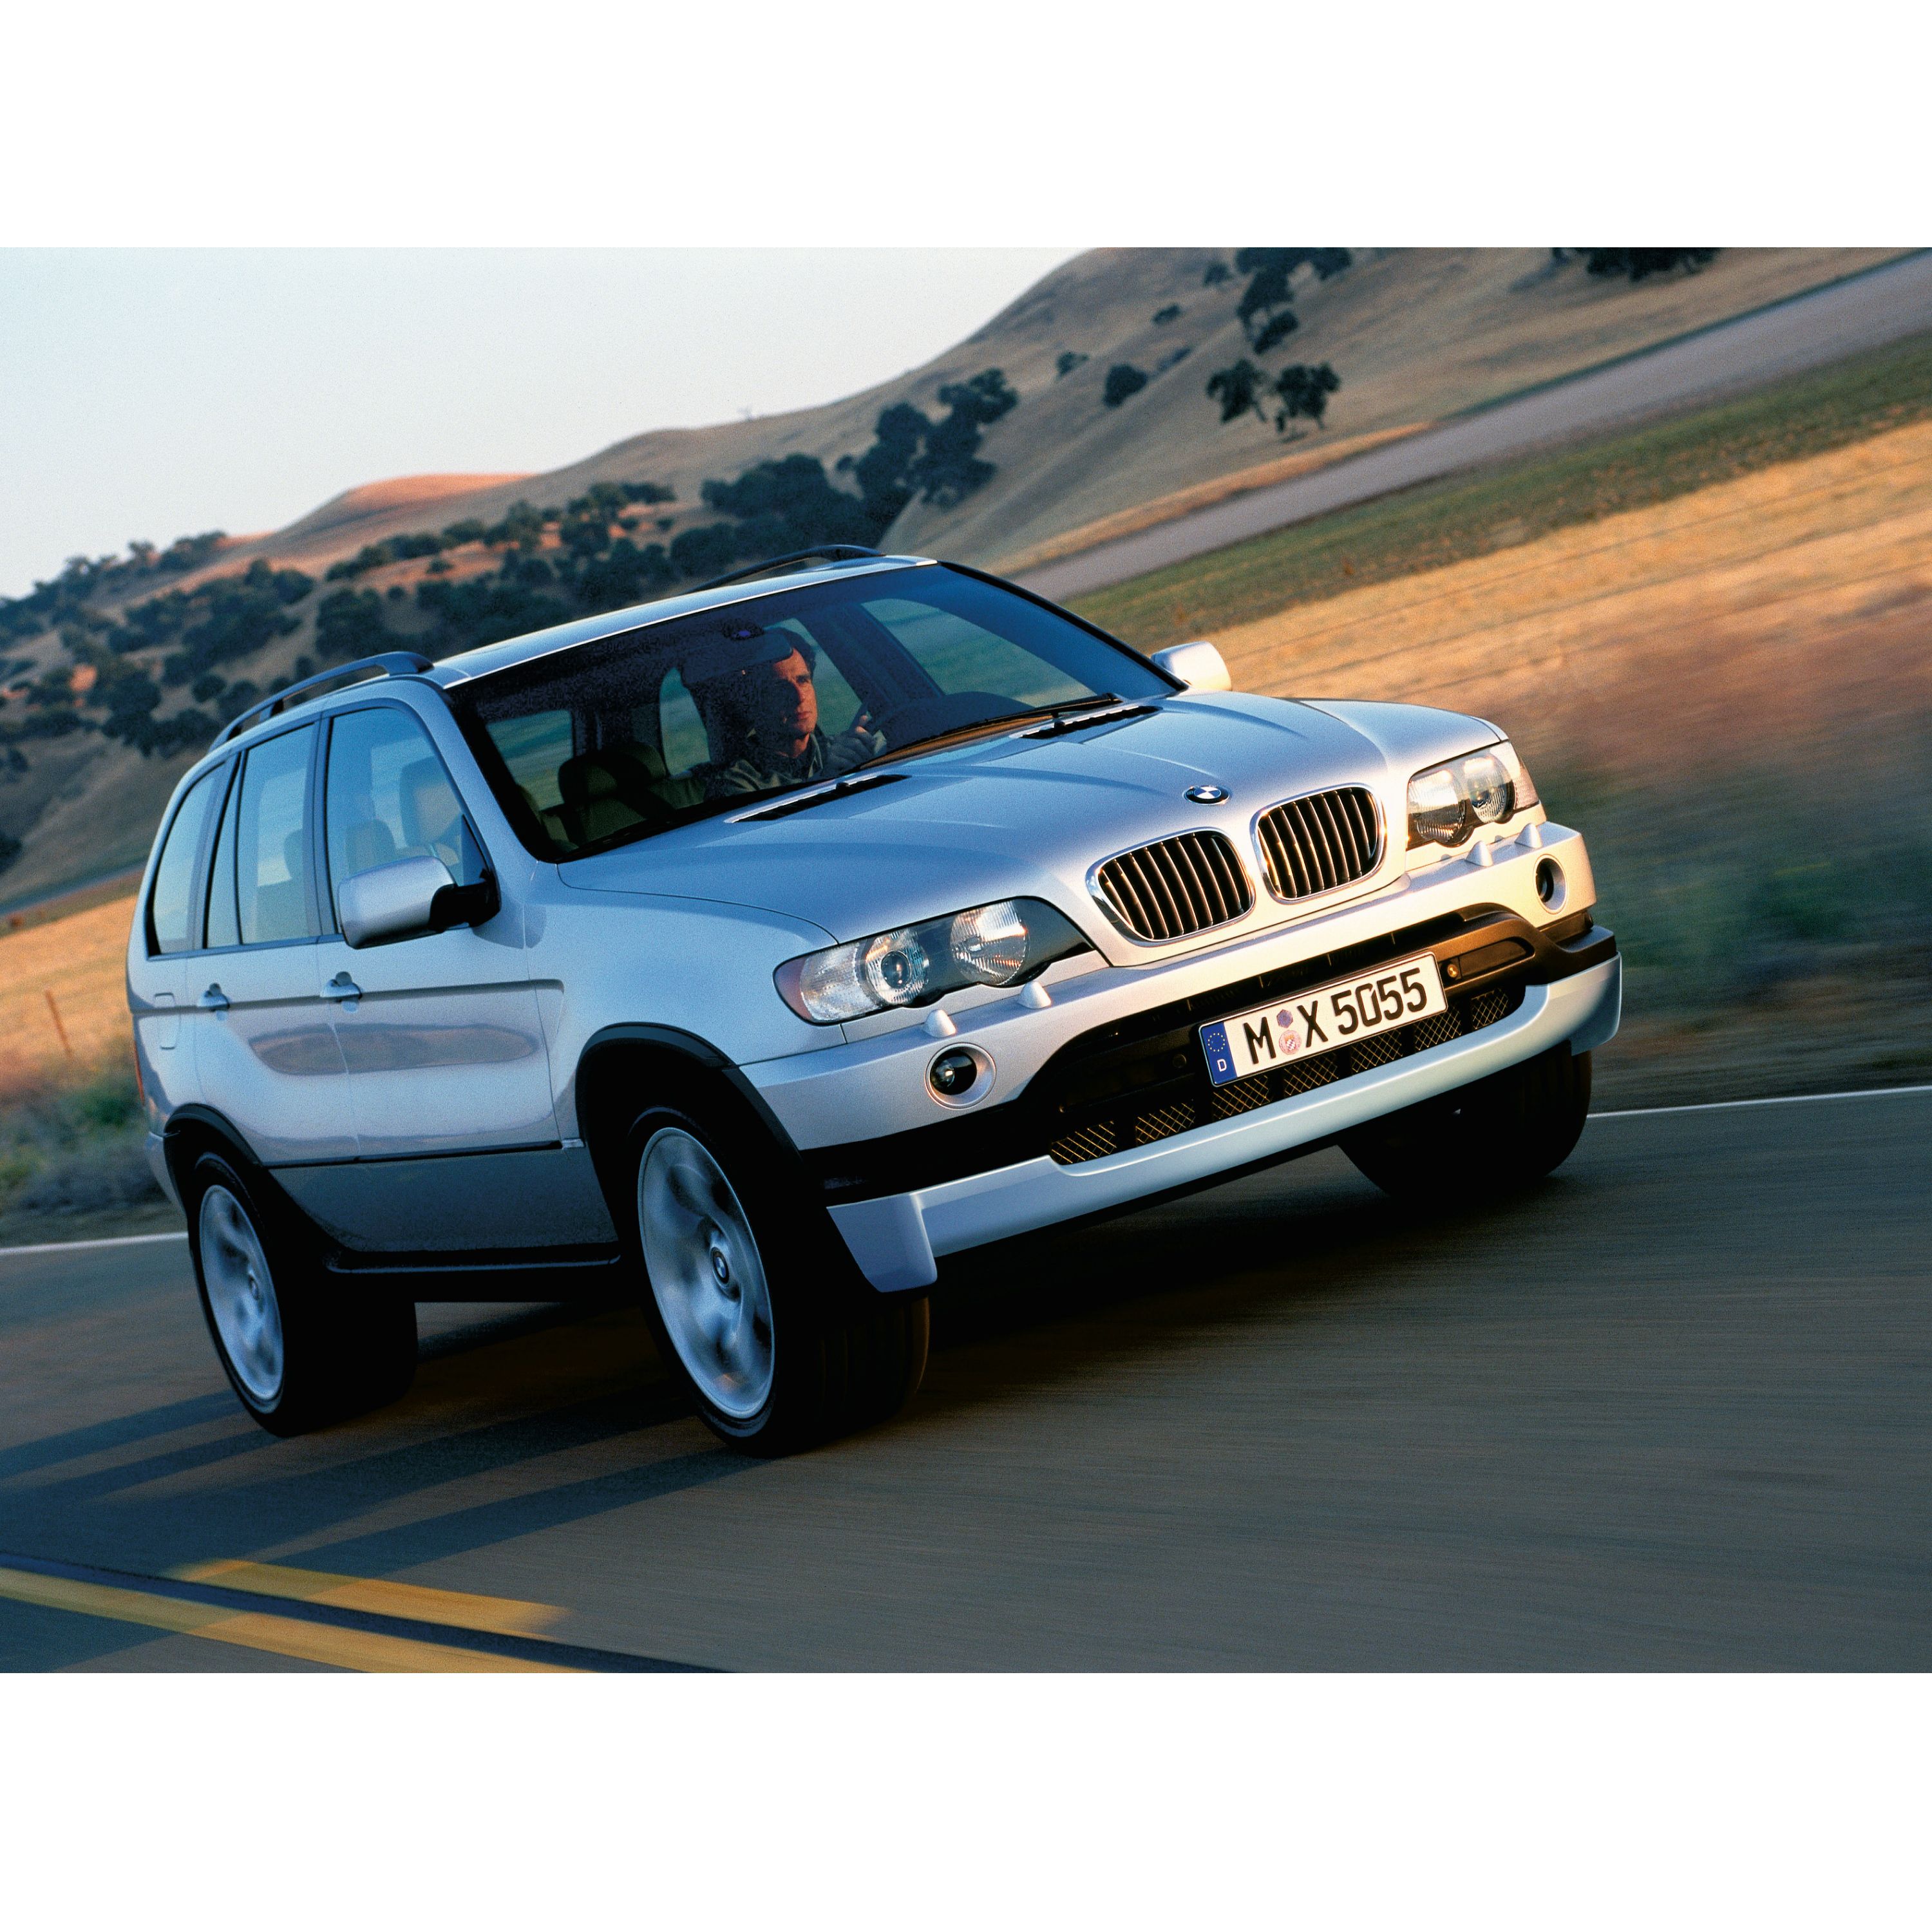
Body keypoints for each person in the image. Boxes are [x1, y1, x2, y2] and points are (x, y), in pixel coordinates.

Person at [690, 638, 882, 797]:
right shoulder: (735, 784)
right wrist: (827, 780)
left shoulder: (839, 752)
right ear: (753, 703)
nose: (799, 696)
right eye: (780, 688)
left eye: (803, 680)